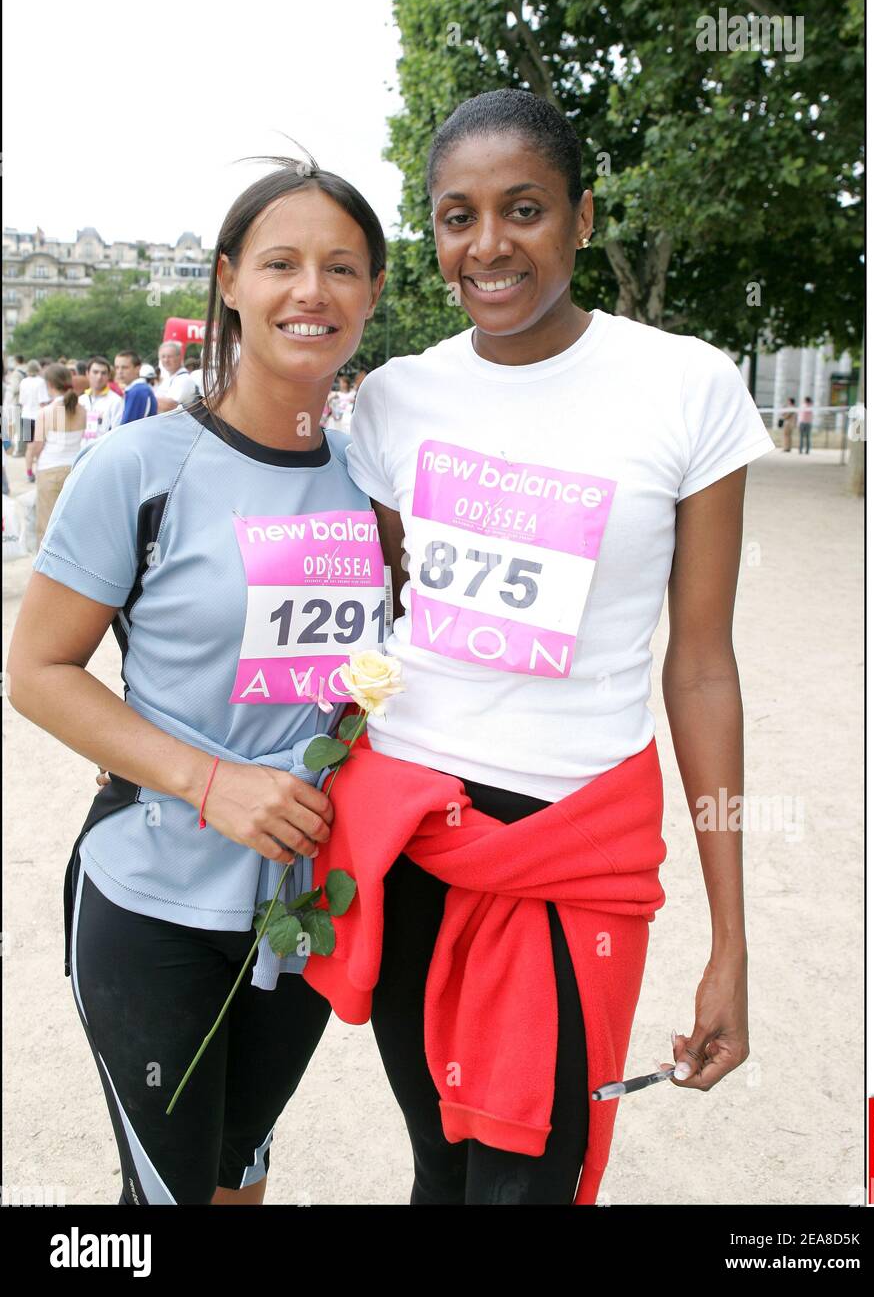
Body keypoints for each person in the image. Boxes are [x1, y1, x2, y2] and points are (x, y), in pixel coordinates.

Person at [345, 88, 776, 1204]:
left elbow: (701, 665)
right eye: (456, 216)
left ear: (583, 218)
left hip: (571, 847)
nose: (487, 246)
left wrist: (729, 937)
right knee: (441, 1167)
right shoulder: (394, 401)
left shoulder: (687, 387)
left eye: (523, 208)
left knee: (529, 1183)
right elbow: (372, 628)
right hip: (416, 839)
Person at [6, 154, 387, 1205]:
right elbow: (35, 672)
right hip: (151, 899)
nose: (311, 291)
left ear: (373, 294)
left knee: (239, 1180)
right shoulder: (137, 467)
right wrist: (210, 782)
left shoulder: (378, 479)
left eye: (343, 268)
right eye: (281, 263)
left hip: (302, 917)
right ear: (227, 280)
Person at [30, 363, 87, 547]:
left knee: (46, 524)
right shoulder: (82, 410)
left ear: (49, 384)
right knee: (69, 523)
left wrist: (28, 465)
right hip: (73, 469)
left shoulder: (46, 412)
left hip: (49, 470)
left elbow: (36, 445)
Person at [79, 356, 123, 443]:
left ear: (108, 376)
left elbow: (116, 433)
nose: (99, 377)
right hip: (81, 453)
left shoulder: (116, 401)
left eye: (103, 373)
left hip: (102, 453)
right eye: (95, 372)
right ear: (87, 374)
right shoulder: (80, 400)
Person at [20, 360, 51, 478]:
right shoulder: (40, 382)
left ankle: (28, 472)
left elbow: (22, 401)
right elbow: (43, 401)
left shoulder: (23, 382)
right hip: (38, 417)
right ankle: (39, 470)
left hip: (26, 416)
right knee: (40, 445)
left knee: (29, 447)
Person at [113, 350, 158, 424]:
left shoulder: (138, 391)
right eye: (117, 367)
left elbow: (128, 426)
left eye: (124, 367)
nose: (119, 371)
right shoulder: (137, 389)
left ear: (138, 368)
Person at [155, 341, 199, 412]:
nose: (166, 360)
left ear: (180, 357)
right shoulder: (170, 378)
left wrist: (146, 397)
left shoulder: (184, 379)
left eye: (170, 356)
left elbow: (169, 406)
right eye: (163, 357)